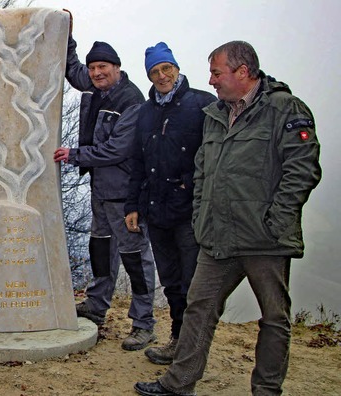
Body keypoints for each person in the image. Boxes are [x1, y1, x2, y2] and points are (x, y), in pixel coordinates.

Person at [134, 41, 321, 396]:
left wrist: (275, 221)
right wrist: (203, 215)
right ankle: (178, 383)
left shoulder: (284, 108)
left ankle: (266, 390)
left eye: (217, 72)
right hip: (218, 235)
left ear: (243, 72)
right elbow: (203, 169)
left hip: (265, 238)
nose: (211, 80)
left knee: (274, 318)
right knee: (199, 307)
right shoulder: (216, 114)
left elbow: (303, 169)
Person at [54, 11, 157, 352]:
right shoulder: (96, 86)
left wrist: (74, 155)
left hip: (125, 195)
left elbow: (117, 148)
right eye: (94, 68)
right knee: (100, 249)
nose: (97, 73)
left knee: (134, 257)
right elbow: (71, 70)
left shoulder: (131, 100)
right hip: (100, 189)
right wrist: (67, 34)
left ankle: (143, 324)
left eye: (103, 68)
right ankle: (97, 306)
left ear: (117, 68)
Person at [124, 42, 216, 365]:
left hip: (189, 212)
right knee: (172, 282)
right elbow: (136, 160)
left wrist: (197, 190)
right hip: (155, 211)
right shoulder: (146, 111)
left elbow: (215, 157)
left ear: (176, 68)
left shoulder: (202, 104)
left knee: (193, 284)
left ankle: (191, 350)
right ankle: (179, 340)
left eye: (166, 68)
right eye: (154, 71)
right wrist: (131, 205)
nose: (161, 75)